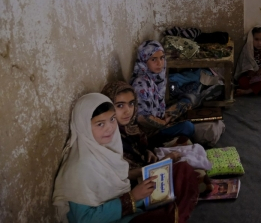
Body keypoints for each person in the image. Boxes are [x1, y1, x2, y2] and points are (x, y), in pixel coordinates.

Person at [52, 93, 165, 222]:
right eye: (100, 124)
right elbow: (85, 219)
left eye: (112, 119)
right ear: (83, 126)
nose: (110, 128)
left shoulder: (107, 152)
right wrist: (132, 197)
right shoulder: (80, 167)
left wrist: (148, 194)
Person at [101, 82, 204, 222]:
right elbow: (123, 174)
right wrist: (162, 163)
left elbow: (141, 147)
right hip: (133, 188)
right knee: (185, 173)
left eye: (131, 104)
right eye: (120, 105)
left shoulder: (130, 128)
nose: (127, 111)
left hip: (145, 172)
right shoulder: (108, 136)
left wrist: (148, 152)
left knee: (185, 171)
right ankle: (174, 213)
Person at [130, 40, 196, 143]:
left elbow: (159, 105)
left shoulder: (157, 77)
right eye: (153, 59)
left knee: (187, 102)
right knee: (188, 127)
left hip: (159, 116)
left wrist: (167, 115)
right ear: (144, 60)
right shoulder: (141, 84)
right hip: (150, 132)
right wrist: (164, 122)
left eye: (162, 58)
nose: (159, 63)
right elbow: (142, 119)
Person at [234, 26, 261, 96]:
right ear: (251, 39)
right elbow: (243, 66)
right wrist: (250, 71)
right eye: (256, 39)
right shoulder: (247, 51)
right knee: (242, 81)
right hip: (250, 78)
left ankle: (248, 91)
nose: (259, 43)